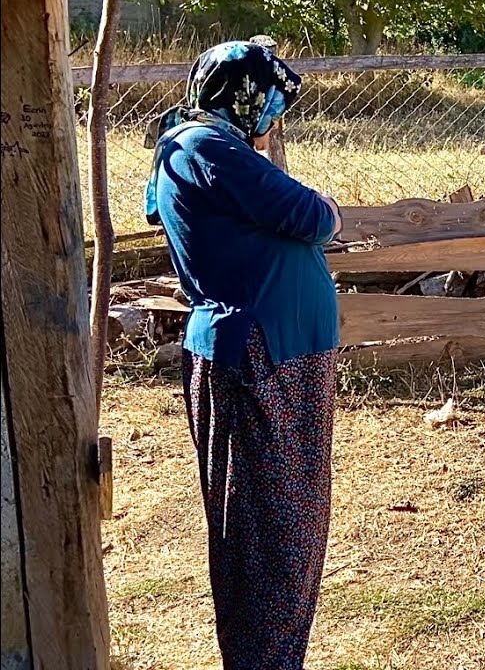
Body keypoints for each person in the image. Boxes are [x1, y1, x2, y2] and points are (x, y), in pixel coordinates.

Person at [144, 41, 342, 669]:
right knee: (262, 534)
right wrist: (326, 205)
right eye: (271, 103)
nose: (274, 120)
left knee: (291, 527)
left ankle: (279, 658)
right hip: (255, 359)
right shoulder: (206, 147)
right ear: (244, 95)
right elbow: (311, 216)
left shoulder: (217, 147)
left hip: (285, 358)